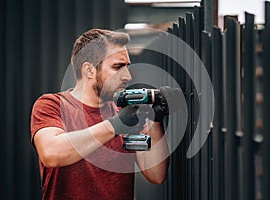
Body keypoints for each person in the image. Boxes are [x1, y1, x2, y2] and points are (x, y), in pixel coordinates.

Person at [31, 29, 175, 200]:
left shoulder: (123, 112)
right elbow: (52, 154)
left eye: (127, 66)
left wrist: (155, 121)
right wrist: (115, 125)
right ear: (89, 70)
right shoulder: (52, 105)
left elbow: (156, 175)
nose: (127, 76)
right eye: (118, 67)